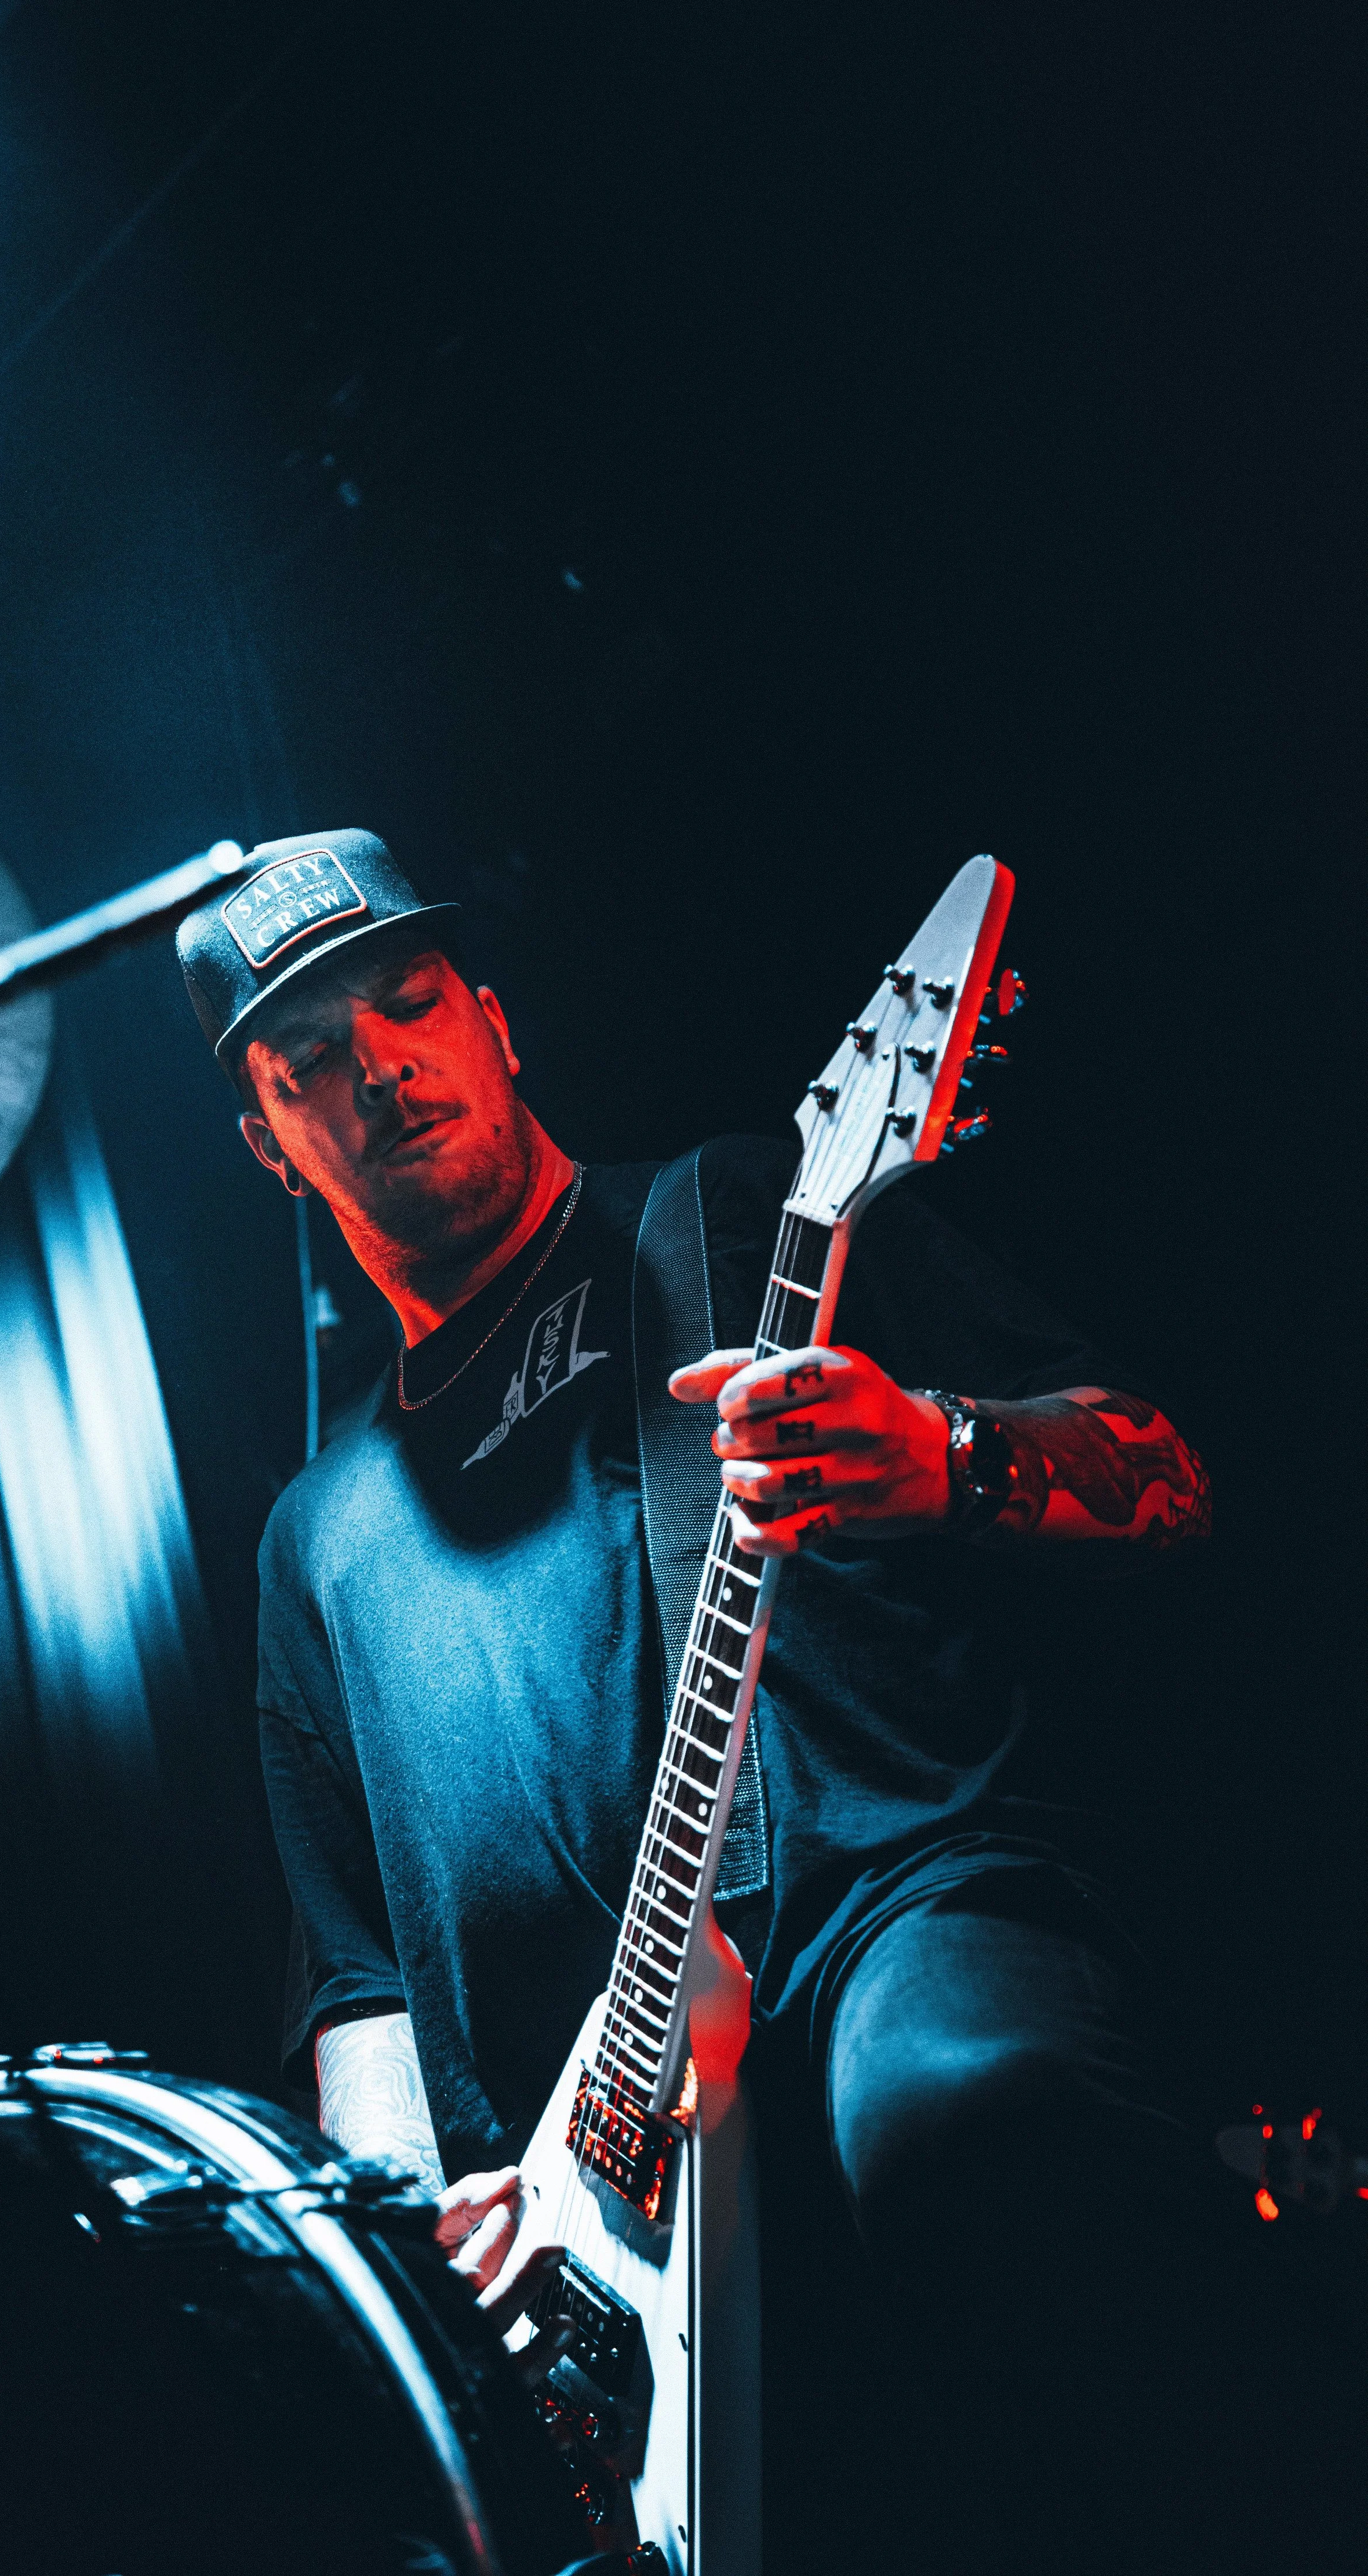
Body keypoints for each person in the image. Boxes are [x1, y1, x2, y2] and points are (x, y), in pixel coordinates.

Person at [179, 829, 1234, 2568]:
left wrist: (941, 1456)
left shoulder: (750, 1219)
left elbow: (1170, 1471)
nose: (375, 1064)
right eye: (308, 1062)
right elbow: (354, 1973)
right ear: (269, 1143)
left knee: (956, 2104)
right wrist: (408, 2225)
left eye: (409, 1000)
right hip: (605, 2193)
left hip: (883, 1929)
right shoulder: (316, 1538)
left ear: (495, 1020)